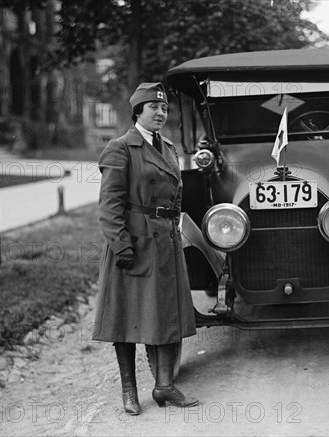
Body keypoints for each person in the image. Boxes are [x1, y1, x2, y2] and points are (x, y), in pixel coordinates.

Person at [92, 82, 198, 415]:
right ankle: (129, 390)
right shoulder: (120, 148)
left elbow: (177, 196)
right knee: (124, 318)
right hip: (132, 244)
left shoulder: (167, 147)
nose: (160, 113)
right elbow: (110, 205)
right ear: (138, 111)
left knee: (166, 315)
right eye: (153, 107)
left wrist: (175, 229)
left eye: (164, 108)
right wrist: (121, 245)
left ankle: (164, 387)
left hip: (164, 242)